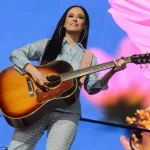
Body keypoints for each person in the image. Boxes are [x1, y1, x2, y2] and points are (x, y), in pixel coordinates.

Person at [8, 5, 126, 150]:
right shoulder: (46, 45)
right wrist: (34, 71)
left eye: (80, 17)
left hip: (67, 115)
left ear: (85, 26)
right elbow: (16, 54)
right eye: (71, 16)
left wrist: (112, 72)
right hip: (36, 107)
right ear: (64, 22)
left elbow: (92, 88)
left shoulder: (88, 58)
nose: (75, 19)